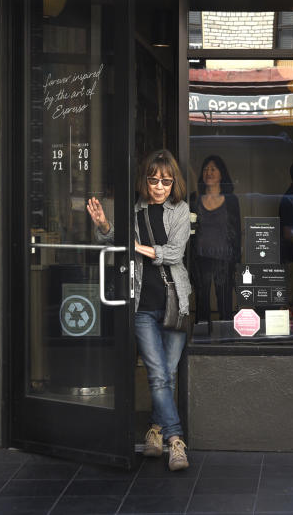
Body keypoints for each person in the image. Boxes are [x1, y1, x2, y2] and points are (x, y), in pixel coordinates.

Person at [87, 149, 192, 472]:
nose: (159, 186)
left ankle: (155, 431)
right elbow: (113, 242)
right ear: (144, 180)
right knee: (159, 375)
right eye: (153, 179)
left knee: (168, 375)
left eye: (165, 180)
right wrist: (105, 225)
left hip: (174, 304)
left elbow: (174, 254)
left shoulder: (180, 210)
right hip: (142, 306)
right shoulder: (132, 212)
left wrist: (135, 247)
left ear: (174, 182)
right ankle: (176, 441)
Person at [191, 155, 241, 324]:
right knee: (202, 304)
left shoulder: (232, 201)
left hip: (224, 259)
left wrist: (237, 263)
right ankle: (202, 341)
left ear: (221, 174)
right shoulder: (195, 200)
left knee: (225, 304)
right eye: (205, 169)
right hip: (200, 258)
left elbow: (237, 233)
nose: (209, 172)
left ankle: (225, 342)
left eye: (213, 169)